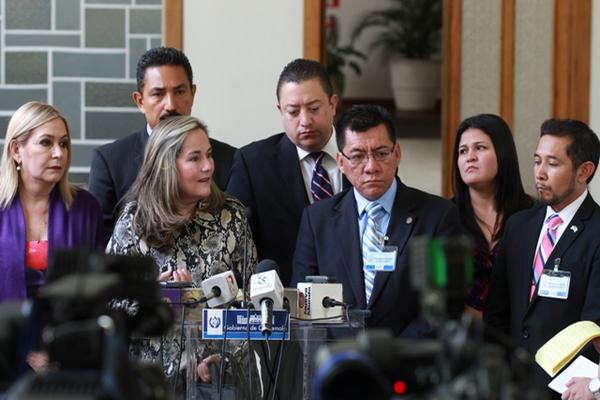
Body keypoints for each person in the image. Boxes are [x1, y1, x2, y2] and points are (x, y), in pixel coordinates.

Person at [106, 116, 257, 390]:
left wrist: (223, 354)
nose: (208, 166)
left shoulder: (231, 216)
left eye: (209, 155)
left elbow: (251, 302)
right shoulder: (133, 222)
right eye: (194, 158)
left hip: (216, 383)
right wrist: (149, 298)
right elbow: (108, 307)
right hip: (145, 383)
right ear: (166, 165)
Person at [291, 104, 462, 336]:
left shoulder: (437, 216)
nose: (371, 167)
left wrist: (390, 357)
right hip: (339, 363)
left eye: (381, 153)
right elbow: (304, 305)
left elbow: (444, 307)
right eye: (358, 156)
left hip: (409, 364)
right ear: (341, 162)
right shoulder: (317, 219)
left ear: (397, 154)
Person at [484, 118, 600, 392]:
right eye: (537, 161)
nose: (540, 173)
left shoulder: (596, 231)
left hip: (570, 388)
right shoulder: (519, 225)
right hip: (512, 384)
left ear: (584, 171)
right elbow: (497, 311)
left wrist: (591, 380)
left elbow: (595, 324)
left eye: (553, 163)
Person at [89, 47, 237, 242]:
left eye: (180, 91)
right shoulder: (110, 161)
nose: (170, 105)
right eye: (158, 94)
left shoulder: (230, 159)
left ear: (192, 93)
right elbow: (101, 247)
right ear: (140, 101)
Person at [226, 58, 347, 286]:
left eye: (314, 109)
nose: (305, 121)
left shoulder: (362, 155)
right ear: (280, 110)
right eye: (293, 112)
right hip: (284, 303)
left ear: (332, 104)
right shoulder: (254, 164)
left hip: (355, 301)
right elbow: (234, 241)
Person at [0, 101, 104, 302]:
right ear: (16, 151)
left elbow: (98, 282)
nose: (59, 153)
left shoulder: (85, 207)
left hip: (69, 330)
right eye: (46, 142)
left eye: (63, 144)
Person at [452, 114, 533, 316]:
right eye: (463, 151)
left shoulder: (534, 213)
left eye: (480, 148)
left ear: (503, 152)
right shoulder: (444, 216)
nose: (469, 157)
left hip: (520, 334)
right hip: (461, 337)